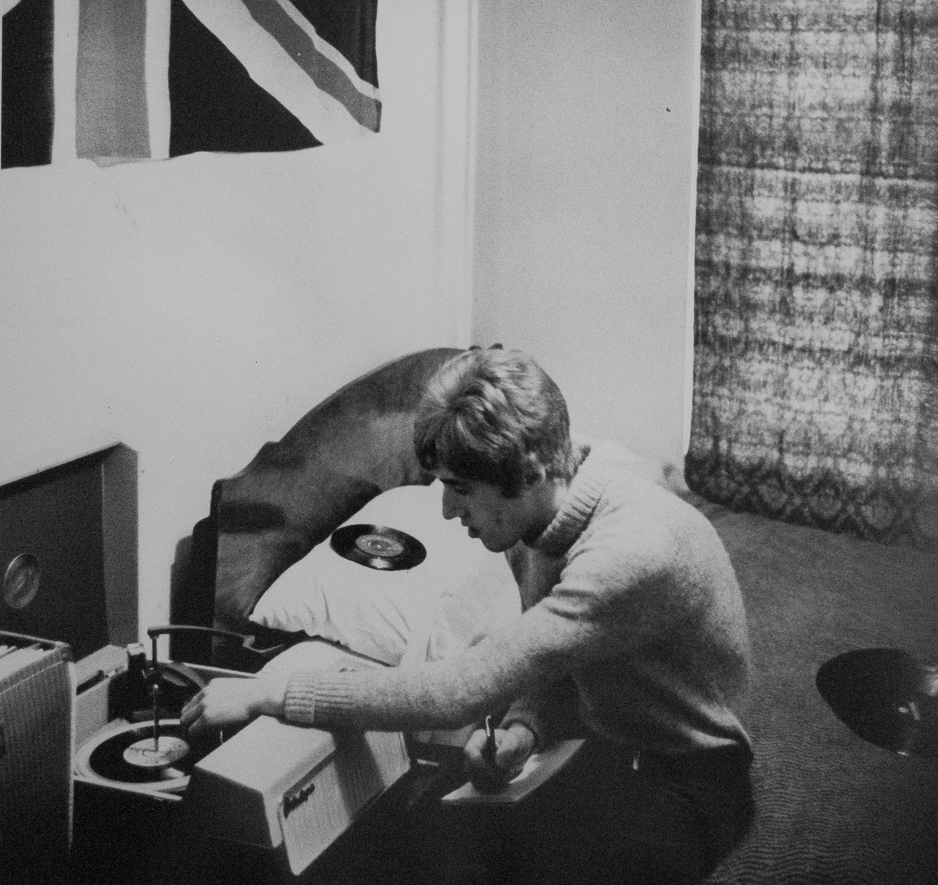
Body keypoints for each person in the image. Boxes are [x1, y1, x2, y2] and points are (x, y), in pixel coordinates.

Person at [182, 347, 753, 884]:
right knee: (429, 836)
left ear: (528, 472)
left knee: (450, 861)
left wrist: (275, 692)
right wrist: (525, 728)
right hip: (616, 743)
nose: (448, 510)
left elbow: (455, 694)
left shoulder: (627, 553)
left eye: (461, 489)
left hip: (692, 781)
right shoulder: (542, 508)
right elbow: (560, 654)